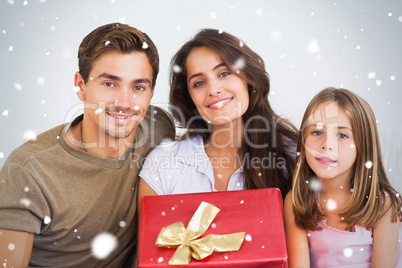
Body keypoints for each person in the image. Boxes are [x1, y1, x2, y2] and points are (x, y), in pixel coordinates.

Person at [0, 23, 175, 267]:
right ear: (81, 86)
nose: (124, 102)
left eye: (138, 87)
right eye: (109, 83)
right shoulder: (29, 170)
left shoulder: (158, 127)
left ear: (152, 91)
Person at [138, 29, 297, 199]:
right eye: (199, 83)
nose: (213, 90)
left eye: (224, 73)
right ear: (189, 97)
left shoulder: (293, 158)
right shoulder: (162, 164)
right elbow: (153, 226)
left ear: (248, 78)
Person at [284, 87, 402, 267]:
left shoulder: (384, 206)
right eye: (317, 132)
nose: (326, 145)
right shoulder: (295, 201)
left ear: (363, 145)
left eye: (342, 135)